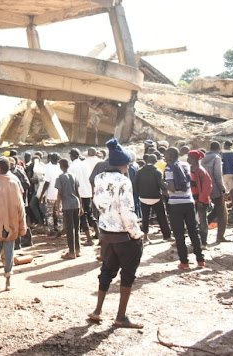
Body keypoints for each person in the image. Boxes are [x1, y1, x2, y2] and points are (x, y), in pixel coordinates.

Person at [88, 138, 144, 329]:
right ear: (124, 165)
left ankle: (97, 311)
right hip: (124, 236)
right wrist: (136, 233)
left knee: (106, 272)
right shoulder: (124, 181)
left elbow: (97, 204)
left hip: (106, 233)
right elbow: (127, 211)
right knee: (127, 275)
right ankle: (121, 317)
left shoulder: (99, 178)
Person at [164, 147, 205, 270]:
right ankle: (200, 260)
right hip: (189, 201)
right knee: (193, 231)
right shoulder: (186, 165)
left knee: (179, 233)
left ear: (170, 156)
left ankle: (184, 262)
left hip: (175, 204)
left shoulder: (169, 167)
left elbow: (172, 188)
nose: (165, 158)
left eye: (166, 156)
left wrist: (162, 185)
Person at [0, 158, 26, 291]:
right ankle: (7, 281)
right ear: (9, 168)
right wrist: (23, 226)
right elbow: (20, 207)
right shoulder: (14, 183)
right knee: (9, 253)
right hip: (11, 224)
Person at [133, 154, 172, 243]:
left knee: (145, 217)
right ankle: (167, 236)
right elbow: (161, 184)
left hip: (143, 198)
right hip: (156, 197)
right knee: (162, 217)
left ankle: (145, 236)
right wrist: (166, 192)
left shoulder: (140, 171)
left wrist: (140, 193)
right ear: (155, 162)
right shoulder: (157, 171)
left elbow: (135, 184)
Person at [202, 141, 229, 243]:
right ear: (219, 148)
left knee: (204, 213)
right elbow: (218, 176)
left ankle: (201, 234)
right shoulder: (216, 158)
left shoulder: (202, 157)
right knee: (222, 213)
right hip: (215, 189)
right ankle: (220, 236)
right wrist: (223, 190)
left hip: (204, 189)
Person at [68, 148, 98, 241]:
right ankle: (98, 233)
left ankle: (89, 238)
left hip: (78, 194)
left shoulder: (72, 167)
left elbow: (71, 182)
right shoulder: (85, 164)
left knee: (82, 215)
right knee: (89, 213)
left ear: (72, 156)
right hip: (88, 192)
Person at [56, 159, 82, 259]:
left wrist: (58, 207)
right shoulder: (74, 176)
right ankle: (78, 249)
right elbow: (77, 192)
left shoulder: (60, 177)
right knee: (76, 227)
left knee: (70, 228)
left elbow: (59, 193)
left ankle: (71, 252)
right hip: (76, 203)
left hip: (67, 205)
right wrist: (81, 205)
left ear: (61, 166)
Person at [187, 150, 212, 248]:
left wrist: (201, 200)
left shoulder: (200, 171)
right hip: (193, 200)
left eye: (189, 157)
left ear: (193, 159)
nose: (187, 159)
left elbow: (207, 187)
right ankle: (197, 241)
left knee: (202, 222)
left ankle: (204, 242)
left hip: (200, 201)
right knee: (194, 222)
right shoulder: (191, 169)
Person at [39, 153, 63, 237]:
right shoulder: (60, 168)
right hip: (59, 194)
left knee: (49, 213)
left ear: (51, 159)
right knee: (59, 212)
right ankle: (60, 230)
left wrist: (42, 194)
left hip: (50, 194)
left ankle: (51, 230)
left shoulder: (49, 168)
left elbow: (46, 183)